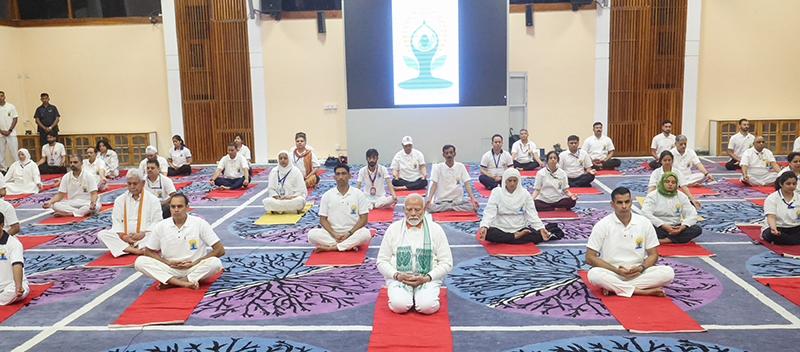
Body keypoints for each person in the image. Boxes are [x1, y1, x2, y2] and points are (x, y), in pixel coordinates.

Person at [585, 187, 675, 297]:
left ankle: (616, 288)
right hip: (612, 272)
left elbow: (653, 255)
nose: (624, 206)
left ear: (631, 202)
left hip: (637, 272)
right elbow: (589, 257)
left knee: (668, 273)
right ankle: (640, 291)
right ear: (612, 204)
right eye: (619, 202)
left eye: (627, 202)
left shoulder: (644, 222)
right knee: (593, 275)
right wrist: (617, 271)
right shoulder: (603, 225)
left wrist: (641, 268)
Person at [376, 193, 453, 314]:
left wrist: (428, 277)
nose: (413, 213)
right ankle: (407, 294)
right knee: (399, 306)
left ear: (424, 209)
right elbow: (381, 261)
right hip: (400, 278)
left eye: (417, 210)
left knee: (427, 307)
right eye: (409, 209)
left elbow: (446, 262)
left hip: (427, 277)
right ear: (403, 209)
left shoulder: (436, 229)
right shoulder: (393, 229)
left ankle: (421, 294)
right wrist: (396, 275)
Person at [134, 194, 225, 290]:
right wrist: (167, 263)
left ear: (187, 208)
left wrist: (194, 263)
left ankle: (174, 283)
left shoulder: (200, 224)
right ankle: (184, 282)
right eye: (173, 207)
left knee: (215, 263)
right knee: (140, 262)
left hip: (194, 268)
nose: (176, 210)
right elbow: (148, 252)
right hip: (170, 268)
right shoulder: (161, 226)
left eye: (180, 206)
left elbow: (220, 250)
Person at [96, 169, 162, 257]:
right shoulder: (120, 200)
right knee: (102, 234)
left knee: (159, 235)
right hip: (124, 238)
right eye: (129, 183)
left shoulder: (153, 200)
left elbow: (157, 221)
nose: (132, 187)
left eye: (135, 183)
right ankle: (135, 250)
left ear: (143, 183)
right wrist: (123, 236)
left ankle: (127, 248)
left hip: (144, 237)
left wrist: (142, 235)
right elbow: (116, 221)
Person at [307, 164, 372, 253]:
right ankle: (347, 245)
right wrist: (334, 234)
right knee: (312, 234)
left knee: (366, 233)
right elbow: (323, 220)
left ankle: (332, 247)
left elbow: (364, 219)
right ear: (334, 177)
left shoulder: (358, 194)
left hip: (352, 233)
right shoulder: (327, 195)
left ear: (349, 176)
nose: (341, 177)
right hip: (332, 234)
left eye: (343, 173)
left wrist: (349, 233)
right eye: (338, 174)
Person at [479, 168, 553, 244]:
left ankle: (509, 238)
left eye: (515, 181)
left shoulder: (524, 194)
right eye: (509, 180)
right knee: (488, 234)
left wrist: (540, 228)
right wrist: (485, 226)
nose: (512, 184)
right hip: (500, 227)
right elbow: (490, 211)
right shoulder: (497, 192)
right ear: (505, 180)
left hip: (519, 227)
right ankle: (514, 237)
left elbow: (532, 213)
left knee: (538, 236)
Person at [641, 172, 703, 244]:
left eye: (673, 182)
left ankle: (666, 240)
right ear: (662, 182)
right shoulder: (652, 196)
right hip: (658, 227)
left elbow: (692, 214)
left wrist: (682, 227)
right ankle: (675, 239)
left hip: (676, 227)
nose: (670, 184)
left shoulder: (681, 196)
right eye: (667, 182)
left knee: (696, 229)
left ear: (676, 184)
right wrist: (663, 225)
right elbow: (646, 213)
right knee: (642, 227)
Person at [427, 145, 479, 213]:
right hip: (442, 201)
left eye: (451, 153)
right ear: (443, 155)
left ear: (454, 154)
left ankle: (449, 207)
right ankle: (452, 207)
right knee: (430, 208)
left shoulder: (460, 166)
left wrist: (473, 199)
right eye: (447, 153)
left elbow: (467, 184)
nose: (449, 155)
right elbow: (434, 184)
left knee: (473, 207)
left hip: (457, 201)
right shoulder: (439, 167)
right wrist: (429, 199)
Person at [761, 172, 800, 245]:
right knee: (771, 234)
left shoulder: (798, 197)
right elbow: (771, 216)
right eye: (788, 184)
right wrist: (773, 229)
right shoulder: (772, 198)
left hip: (795, 227)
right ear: (781, 184)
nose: (791, 186)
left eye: (794, 184)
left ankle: (789, 241)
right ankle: (794, 241)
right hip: (778, 227)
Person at [0, 213, 28, 305]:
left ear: (2, 225)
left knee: (14, 293)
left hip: (10, 284)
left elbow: (17, 265)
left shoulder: (13, 244)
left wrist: (18, 286)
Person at [0, 91, 19, 172]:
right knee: (1, 152)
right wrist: (1, 131)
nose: (0, 97)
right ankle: (3, 169)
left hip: (11, 133)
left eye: (2, 96)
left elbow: (15, 119)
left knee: (14, 151)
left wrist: (9, 130)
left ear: (4, 97)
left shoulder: (11, 107)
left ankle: (18, 168)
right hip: (0, 134)